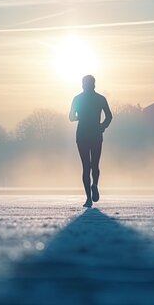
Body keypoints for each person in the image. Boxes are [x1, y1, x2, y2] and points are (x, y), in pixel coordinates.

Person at [69, 75, 112, 208]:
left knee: (86, 167)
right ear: (94, 84)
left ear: (83, 85)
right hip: (96, 134)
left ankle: (88, 198)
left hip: (82, 134)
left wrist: (79, 117)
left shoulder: (77, 99)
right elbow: (109, 116)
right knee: (95, 165)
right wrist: (102, 126)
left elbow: (70, 117)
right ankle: (95, 185)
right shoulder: (100, 98)